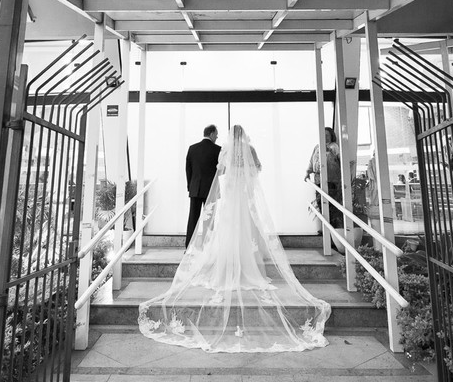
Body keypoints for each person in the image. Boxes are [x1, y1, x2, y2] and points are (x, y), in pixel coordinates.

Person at [139, 125, 331, 352]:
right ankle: (246, 265)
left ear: (231, 137)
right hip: (244, 195)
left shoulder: (225, 151)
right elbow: (257, 168)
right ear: (244, 136)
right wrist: (246, 174)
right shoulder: (249, 148)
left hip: (230, 196)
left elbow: (220, 171)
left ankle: (227, 265)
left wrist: (231, 173)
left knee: (226, 228)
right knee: (246, 229)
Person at [304, 127, 344, 252]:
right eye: (323, 135)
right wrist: (307, 172)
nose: (325, 137)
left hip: (331, 180)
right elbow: (312, 161)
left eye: (327, 135)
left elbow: (340, 161)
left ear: (331, 136)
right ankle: (325, 231)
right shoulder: (317, 147)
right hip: (318, 180)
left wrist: (330, 151)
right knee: (321, 204)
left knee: (332, 206)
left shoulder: (335, 147)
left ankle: (333, 234)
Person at [184, 124, 221, 248]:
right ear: (211, 134)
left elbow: (188, 170)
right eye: (216, 134)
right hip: (210, 190)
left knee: (193, 219)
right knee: (209, 220)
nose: (217, 136)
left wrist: (190, 186)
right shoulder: (217, 150)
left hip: (195, 189)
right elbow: (220, 172)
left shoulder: (192, 148)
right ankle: (207, 246)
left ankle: (189, 246)